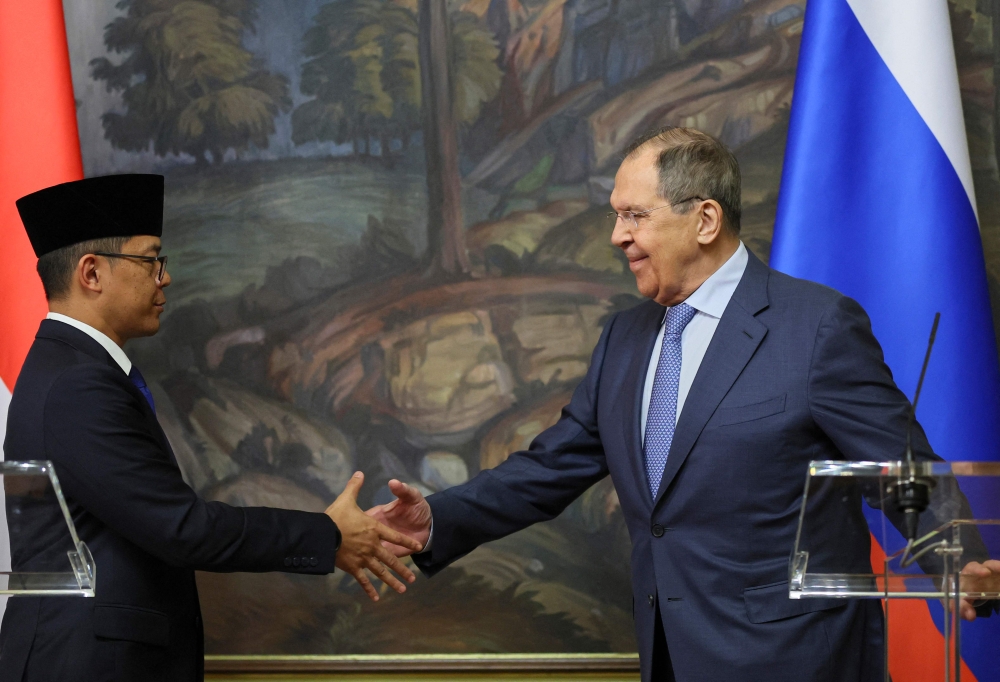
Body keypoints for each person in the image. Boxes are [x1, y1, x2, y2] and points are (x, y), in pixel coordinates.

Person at [368, 128, 999, 682]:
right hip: (667, 655)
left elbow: (902, 467)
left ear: (704, 220)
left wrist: (960, 555)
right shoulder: (623, 337)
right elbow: (548, 468)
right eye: (616, 217)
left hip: (795, 658)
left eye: (635, 216)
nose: (617, 236)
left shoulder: (816, 326)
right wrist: (435, 520)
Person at [0, 174, 422, 682]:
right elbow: (182, 528)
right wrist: (327, 534)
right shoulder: (78, 384)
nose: (165, 278)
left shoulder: (68, 370)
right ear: (92, 273)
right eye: (150, 260)